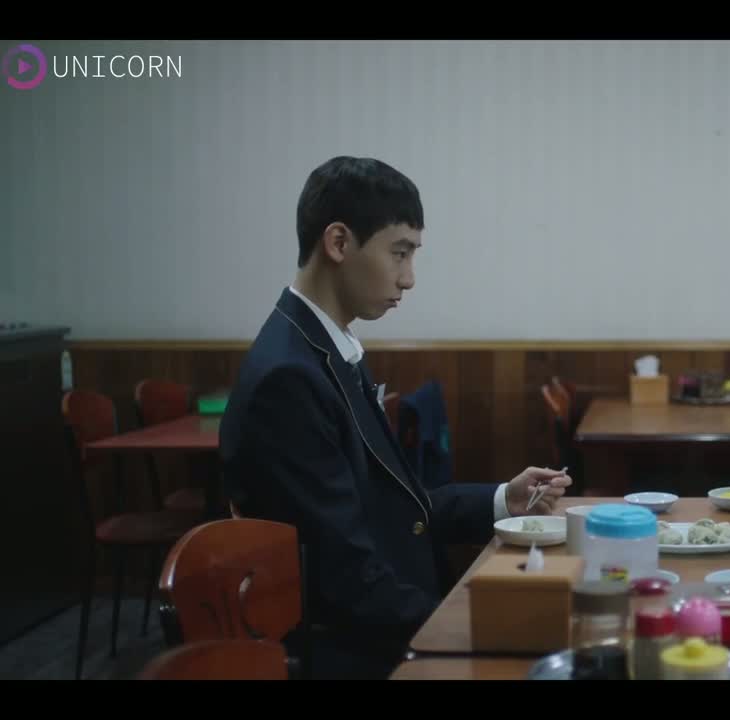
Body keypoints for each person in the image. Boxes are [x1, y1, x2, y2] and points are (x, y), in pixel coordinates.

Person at [219, 156, 571, 679]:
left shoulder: (325, 348)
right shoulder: (288, 378)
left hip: (387, 621)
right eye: (399, 253)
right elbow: (343, 576)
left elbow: (390, 506)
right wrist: (464, 625)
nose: (408, 279)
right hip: (356, 653)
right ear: (339, 243)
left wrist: (503, 500)